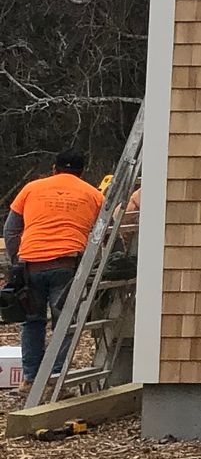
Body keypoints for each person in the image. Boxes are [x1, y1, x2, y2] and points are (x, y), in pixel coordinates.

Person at [5, 153, 105, 385]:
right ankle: (56, 378)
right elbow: (104, 235)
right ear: (82, 172)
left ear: (53, 169)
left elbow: (10, 230)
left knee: (32, 321)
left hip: (31, 266)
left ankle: (30, 379)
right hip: (67, 265)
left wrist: (16, 261)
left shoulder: (31, 188)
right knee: (64, 323)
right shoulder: (94, 194)